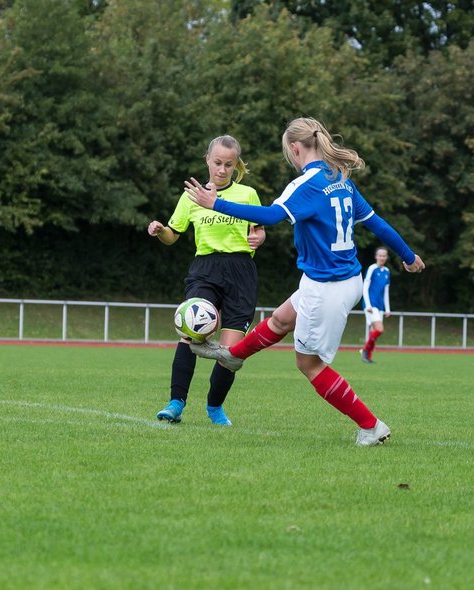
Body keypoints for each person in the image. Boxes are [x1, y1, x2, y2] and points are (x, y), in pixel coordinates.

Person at [184, 117, 425, 446]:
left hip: (328, 286)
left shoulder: (307, 185)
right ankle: (233, 355)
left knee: (309, 363)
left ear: (295, 148)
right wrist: (408, 256)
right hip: (340, 278)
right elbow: (377, 224)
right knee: (282, 318)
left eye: (289, 153)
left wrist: (216, 203)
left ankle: (370, 425)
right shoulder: (339, 179)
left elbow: (271, 216)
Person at [147, 135, 266, 426]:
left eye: (228, 164)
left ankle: (215, 407)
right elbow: (172, 236)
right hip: (206, 269)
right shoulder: (191, 196)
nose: (222, 169)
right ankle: (176, 403)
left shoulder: (248, 194)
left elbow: (259, 230)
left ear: (235, 165)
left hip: (241, 272)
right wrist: (160, 229)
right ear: (207, 161)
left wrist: (259, 237)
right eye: (217, 163)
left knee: (231, 351)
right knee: (190, 332)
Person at [360, 247, 392, 363]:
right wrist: (368, 305)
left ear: (386, 257)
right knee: (379, 329)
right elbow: (365, 287)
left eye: (384, 256)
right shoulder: (372, 268)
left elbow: (386, 291)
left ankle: (368, 356)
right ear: (376, 256)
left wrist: (387, 308)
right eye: (380, 255)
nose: (382, 257)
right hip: (371, 305)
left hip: (380, 307)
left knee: (374, 331)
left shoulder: (387, 271)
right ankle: (364, 350)